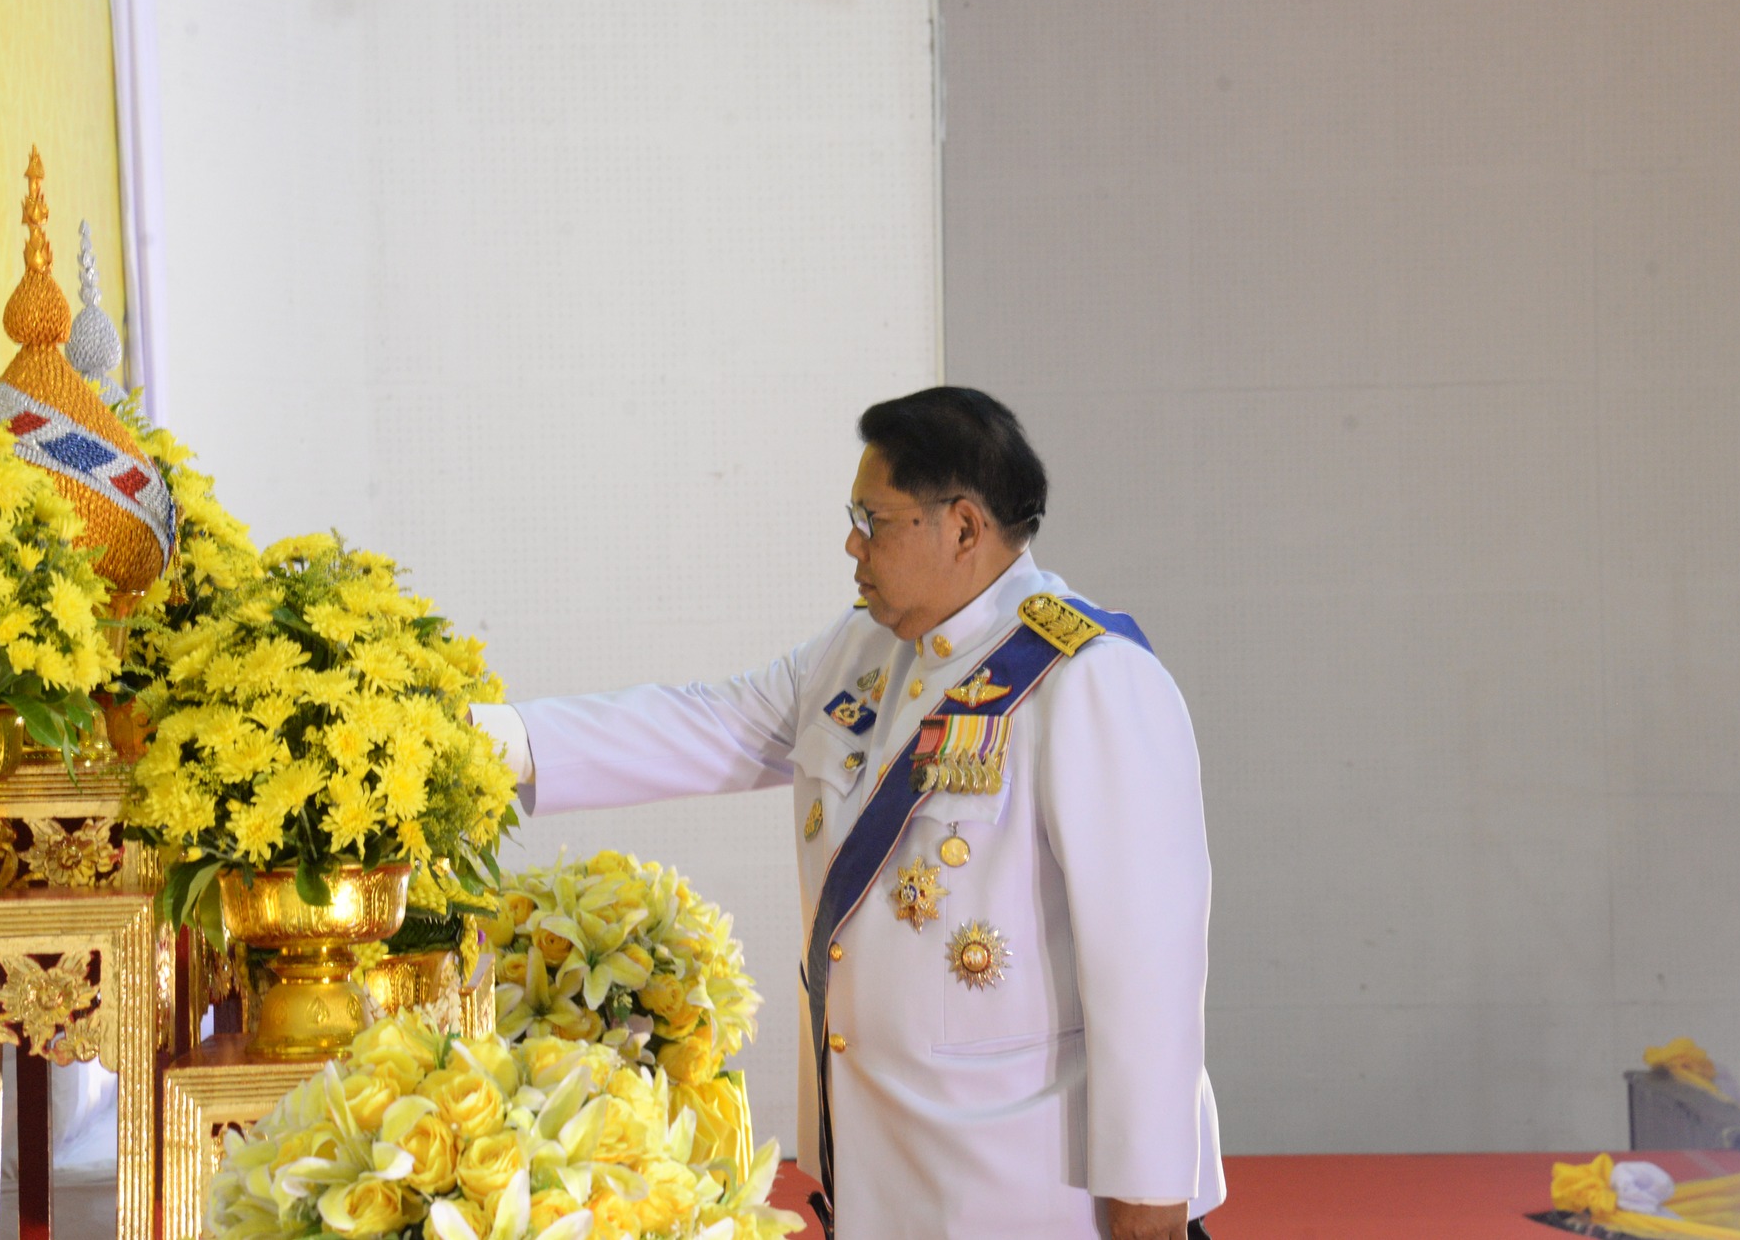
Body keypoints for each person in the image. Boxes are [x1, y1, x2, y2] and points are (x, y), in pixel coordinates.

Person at [471, 387, 1224, 1240]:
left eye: (873, 517)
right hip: (885, 1178)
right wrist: (475, 746)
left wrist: (1151, 1197)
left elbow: (1148, 970)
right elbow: (705, 722)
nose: (851, 542)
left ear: (964, 527)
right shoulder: (860, 647)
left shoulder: (1087, 678)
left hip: (1028, 1192)